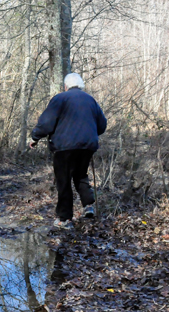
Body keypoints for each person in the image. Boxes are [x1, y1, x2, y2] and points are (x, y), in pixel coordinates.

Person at [29, 73, 107, 229]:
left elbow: (46, 122)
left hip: (64, 147)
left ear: (66, 86)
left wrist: (35, 137)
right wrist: (88, 135)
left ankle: (65, 219)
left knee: (63, 181)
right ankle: (88, 205)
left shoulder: (60, 98)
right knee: (80, 175)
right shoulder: (90, 100)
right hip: (87, 146)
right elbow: (102, 125)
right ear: (81, 85)